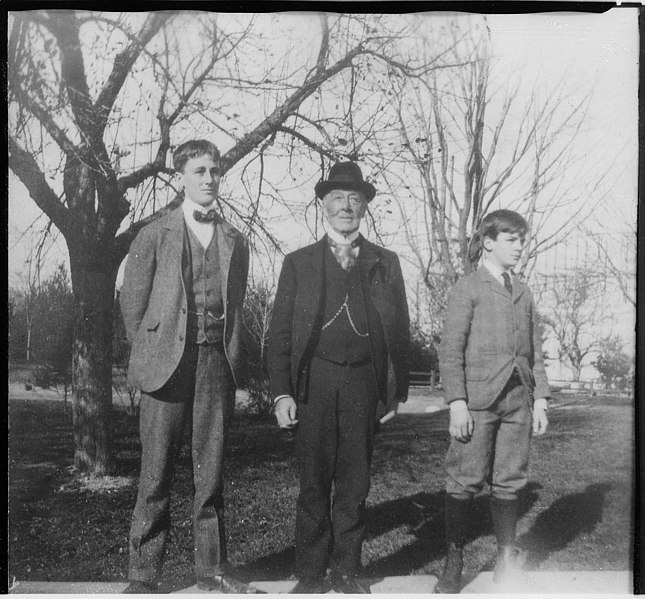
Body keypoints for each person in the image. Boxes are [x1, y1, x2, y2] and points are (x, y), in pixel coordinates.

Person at [120, 139, 260, 594]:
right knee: (156, 472)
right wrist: (151, 352)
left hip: (215, 364)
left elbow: (235, 303)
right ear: (181, 176)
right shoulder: (154, 233)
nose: (209, 179)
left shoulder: (234, 240)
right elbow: (133, 305)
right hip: (167, 367)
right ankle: (143, 576)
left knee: (211, 472)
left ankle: (211, 571)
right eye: (200, 171)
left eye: (215, 171)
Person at [268, 161, 410, 594]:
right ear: (323, 204)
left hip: (364, 384)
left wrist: (394, 393)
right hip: (314, 383)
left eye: (355, 198)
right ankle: (310, 574)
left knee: (354, 481)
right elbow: (279, 334)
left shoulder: (386, 262)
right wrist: (281, 394)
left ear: (365, 206)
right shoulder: (298, 263)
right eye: (338, 197)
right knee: (313, 481)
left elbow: (400, 331)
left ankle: (348, 571)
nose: (346, 205)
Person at [434, 209, 550, 593]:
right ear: (488, 242)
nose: (519, 246)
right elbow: (451, 350)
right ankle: (454, 561)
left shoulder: (524, 292)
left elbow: (535, 352)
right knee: (464, 481)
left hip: (518, 399)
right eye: (511, 239)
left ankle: (505, 561)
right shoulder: (468, 288)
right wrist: (457, 402)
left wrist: (541, 401)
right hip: (477, 402)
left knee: (509, 482)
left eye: (522, 239)